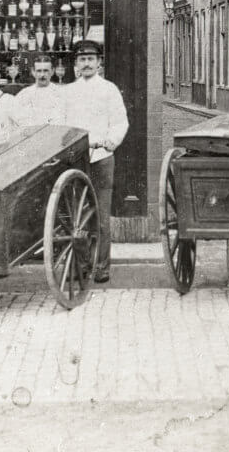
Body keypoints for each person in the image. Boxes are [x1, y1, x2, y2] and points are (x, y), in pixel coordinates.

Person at [62, 40, 129, 284]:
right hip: (76, 159)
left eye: (91, 59)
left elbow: (121, 122)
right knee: (76, 216)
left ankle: (101, 267)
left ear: (99, 62)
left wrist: (112, 140)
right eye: (82, 59)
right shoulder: (68, 91)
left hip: (101, 158)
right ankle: (80, 265)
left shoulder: (109, 89)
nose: (87, 63)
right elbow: (61, 124)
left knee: (100, 215)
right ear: (76, 64)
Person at [14, 55, 67, 126]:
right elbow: (17, 121)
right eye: (39, 71)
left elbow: (63, 121)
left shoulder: (61, 93)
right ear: (33, 72)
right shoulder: (24, 95)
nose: (42, 75)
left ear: (52, 71)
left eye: (46, 71)